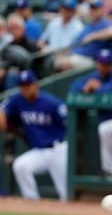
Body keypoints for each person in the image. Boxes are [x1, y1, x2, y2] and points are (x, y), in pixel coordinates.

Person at [70, 49, 112, 181]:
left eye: (106, 64)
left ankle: (109, 170)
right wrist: (86, 87)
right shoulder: (95, 76)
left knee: (105, 129)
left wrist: (98, 88)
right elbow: (75, 86)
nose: (102, 67)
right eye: (100, 63)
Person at [0, 70, 67, 200]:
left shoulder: (51, 103)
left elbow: (69, 123)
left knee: (64, 191)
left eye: (28, 85)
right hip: (39, 151)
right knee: (21, 165)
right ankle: (32, 201)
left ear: (36, 85)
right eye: (23, 86)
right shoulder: (17, 100)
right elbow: (2, 108)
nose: (25, 89)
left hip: (58, 149)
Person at [59, 0, 112, 71]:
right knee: (57, 61)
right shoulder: (88, 26)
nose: (93, 11)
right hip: (77, 56)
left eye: (96, 9)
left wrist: (92, 36)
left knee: (64, 64)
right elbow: (75, 42)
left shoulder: (105, 23)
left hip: (92, 60)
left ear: (102, 10)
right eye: (91, 9)